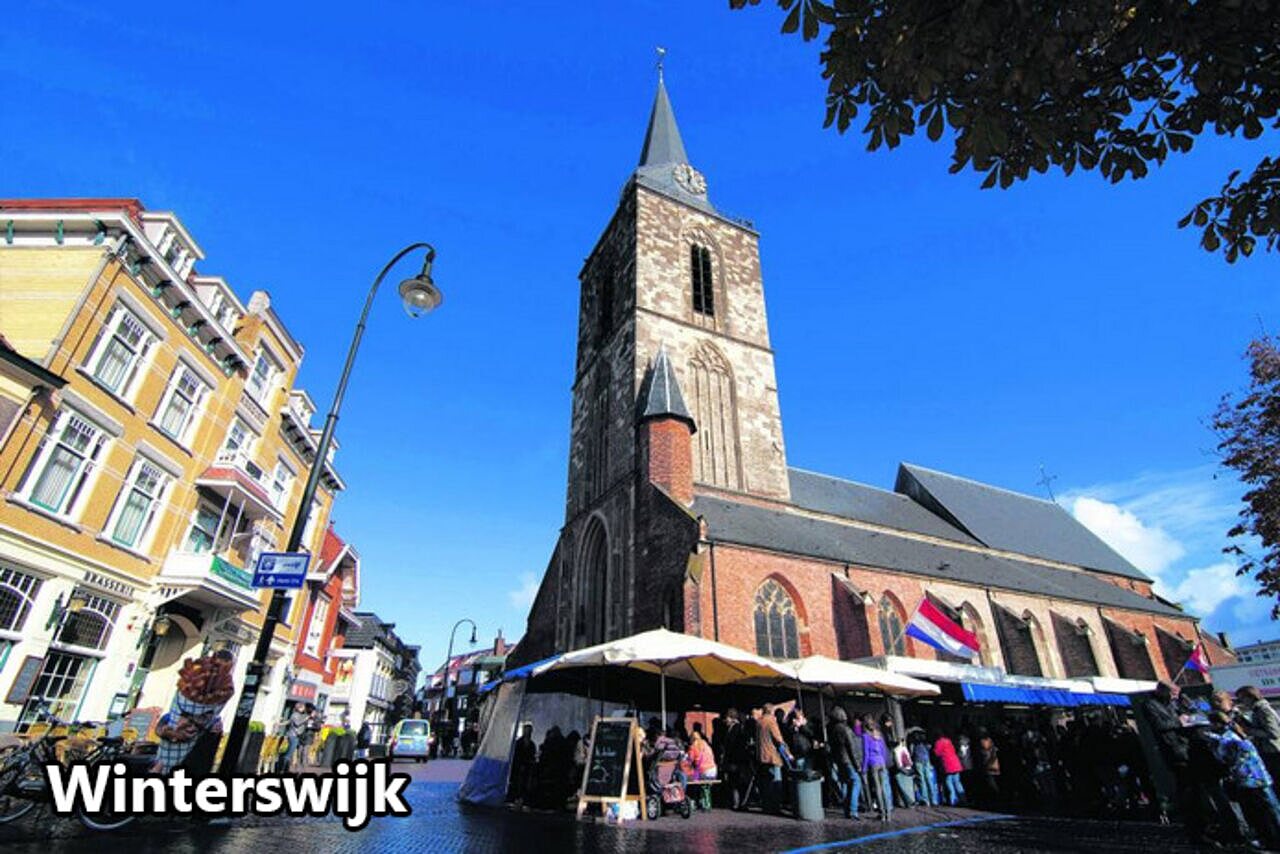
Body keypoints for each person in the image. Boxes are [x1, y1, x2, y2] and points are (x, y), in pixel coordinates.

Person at [1210, 710, 1280, 849]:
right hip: (1261, 776)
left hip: (1248, 780)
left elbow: (1226, 759)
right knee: (1273, 810)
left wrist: (1213, 746)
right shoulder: (1238, 732)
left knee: (1263, 814)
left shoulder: (1227, 739)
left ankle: (1272, 841)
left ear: (1216, 724)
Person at [1236, 686, 1280, 791]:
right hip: (1267, 750)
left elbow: (1273, 732)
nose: (1242, 702)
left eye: (1242, 698)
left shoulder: (1263, 710)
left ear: (1251, 697)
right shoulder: (1256, 710)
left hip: (1273, 750)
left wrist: (1249, 730)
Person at [828, 706, 863, 819]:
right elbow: (851, 748)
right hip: (848, 760)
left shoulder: (833, 730)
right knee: (856, 782)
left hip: (839, 760)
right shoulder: (846, 729)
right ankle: (853, 810)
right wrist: (857, 764)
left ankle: (847, 809)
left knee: (846, 784)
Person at [756, 705, 786, 814]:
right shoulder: (771, 722)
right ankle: (776, 807)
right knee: (776, 783)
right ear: (771, 711)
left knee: (765, 783)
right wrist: (788, 753)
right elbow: (778, 739)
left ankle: (766, 806)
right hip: (772, 756)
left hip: (762, 756)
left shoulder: (759, 722)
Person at [862, 715, 893, 822]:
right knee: (884, 788)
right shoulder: (879, 735)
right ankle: (888, 813)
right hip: (881, 762)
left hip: (873, 763)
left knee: (878, 789)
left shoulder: (865, 736)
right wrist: (884, 762)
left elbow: (866, 753)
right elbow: (883, 750)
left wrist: (864, 768)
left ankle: (882, 813)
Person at [723, 708, 753, 811]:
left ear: (731, 718)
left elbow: (735, 745)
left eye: (726, 718)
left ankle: (740, 803)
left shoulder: (737, 728)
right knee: (735, 782)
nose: (725, 720)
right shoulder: (732, 728)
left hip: (736, 760)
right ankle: (737, 803)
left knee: (737, 782)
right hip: (734, 760)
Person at [686, 725, 718, 811]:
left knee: (691, 781)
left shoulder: (693, 747)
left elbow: (689, 761)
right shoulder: (705, 744)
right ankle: (707, 803)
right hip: (713, 770)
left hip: (704, 771)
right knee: (704, 785)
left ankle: (693, 803)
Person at [933, 730, 965, 806]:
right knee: (957, 782)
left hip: (947, 764)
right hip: (955, 763)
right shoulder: (948, 741)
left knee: (949, 782)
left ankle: (953, 800)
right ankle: (963, 798)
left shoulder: (938, 743)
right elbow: (953, 750)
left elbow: (937, 753)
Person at [908, 729, 939, 806]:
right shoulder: (926, 742)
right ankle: (934, 800)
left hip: (918, 761)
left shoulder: (913, 743)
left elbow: (911, 753)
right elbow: (930, 748)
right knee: (929, 779)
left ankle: (925, 800)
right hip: (926, 760)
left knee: (922, 780)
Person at [509, 723, 537, 806]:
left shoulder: (531, 744)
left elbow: (532, 755)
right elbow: (516, 755)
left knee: (524, 783)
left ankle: (521, 798)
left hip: (527, 766)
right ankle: (516, 798)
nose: (527, 732)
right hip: (518, 766)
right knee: (517, 782)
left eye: (529, 731)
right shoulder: (518, 743)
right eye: (526, 730)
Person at [976, 728, 1001, 808]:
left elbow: (985, 749)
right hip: (991, 763)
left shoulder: (985, 741)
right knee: (991, 781)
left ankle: (995, 798)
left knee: (991, 782)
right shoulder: (990, 741)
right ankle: (994, 798)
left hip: (989, 764)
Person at [284, 701, 310, 772]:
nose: (304, 709)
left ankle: (286, 768)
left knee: (291, 752)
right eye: (303, 707)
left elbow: (289, 722)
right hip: (293, 735)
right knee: (290, 752)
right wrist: (305, 719)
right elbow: (297, 723)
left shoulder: (297, 715)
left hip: (295, 735)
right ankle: (283, 769)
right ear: (299, 708)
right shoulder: (295, 714)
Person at [786, 708, 815, 773]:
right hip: (797, 754)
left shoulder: (807, 725)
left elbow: (811, 734)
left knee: (807, 771)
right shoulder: (791, 729)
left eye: (797, 718)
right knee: (800, 771)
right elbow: (789, 738)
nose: (795, 721)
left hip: (806, 752)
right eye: (793, 719)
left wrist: (802, 726)